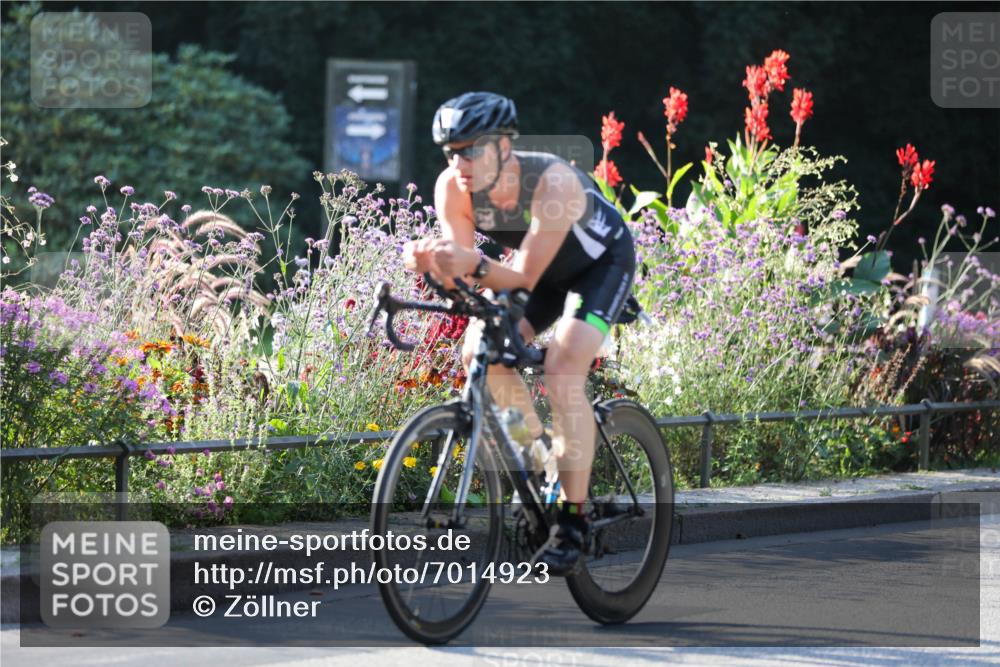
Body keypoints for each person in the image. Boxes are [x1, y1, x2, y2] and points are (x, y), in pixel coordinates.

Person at [401, 92, 636, 575]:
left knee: (562, 366)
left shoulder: (551, 182)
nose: (459, 162)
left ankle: (573, 521)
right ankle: (540, 465)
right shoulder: (453, 188)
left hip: (598, 268)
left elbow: (522, 275)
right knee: (477, 352)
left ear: (504, 146)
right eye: (451, 151)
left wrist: (470, 265)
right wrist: (432, 265)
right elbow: (470, 275)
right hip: (541, 276)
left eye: (471, 149)